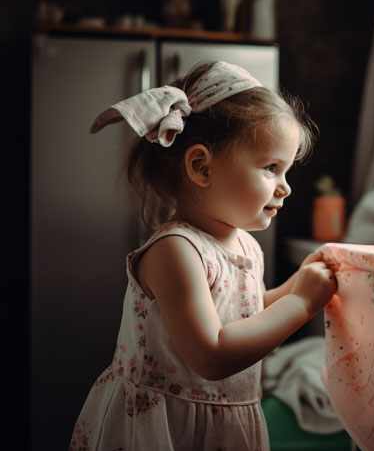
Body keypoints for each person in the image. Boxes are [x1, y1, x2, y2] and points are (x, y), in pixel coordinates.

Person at [69, 61, 338, 450]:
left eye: (286, 171)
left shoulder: (244, 245)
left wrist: (294, 287)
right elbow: (212, 355)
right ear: (201, 166)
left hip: (221, 424)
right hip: (166, 428)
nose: (285, 188)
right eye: (271, 168)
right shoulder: (176, 251)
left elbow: (244, 318)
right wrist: (300, 302)